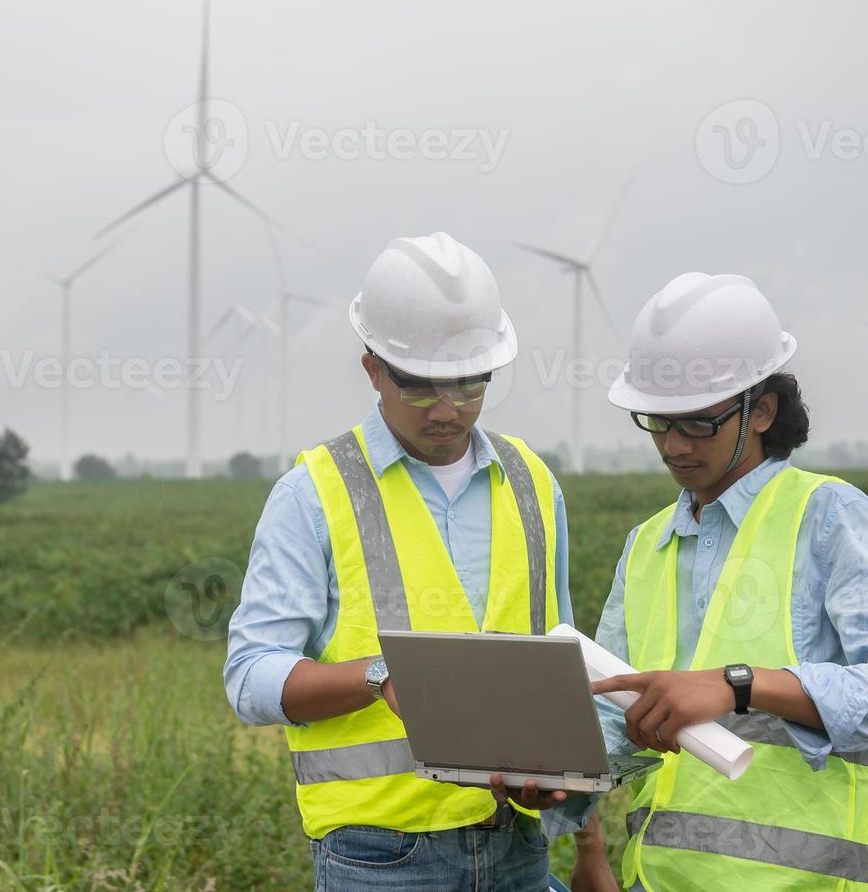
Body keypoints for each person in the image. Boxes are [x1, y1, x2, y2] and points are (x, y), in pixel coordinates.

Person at [224, 232, 598, 890]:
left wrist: (571, 812)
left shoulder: (533, 484)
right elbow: (250, 679)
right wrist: (380, 676)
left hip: (516, 845)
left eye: (470, 382)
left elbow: (559, 666)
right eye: (421, 386)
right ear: (373, 369)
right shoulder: (314, 493)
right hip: (378, 858)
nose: (449, 408)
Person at [582, 272, 868, 891]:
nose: (673, 445)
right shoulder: (647, 544)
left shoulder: (832, 519)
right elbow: (614, 719)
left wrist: (741, 686)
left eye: (697, 423)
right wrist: (552, 782)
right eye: (657, 421)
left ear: (764, 410)